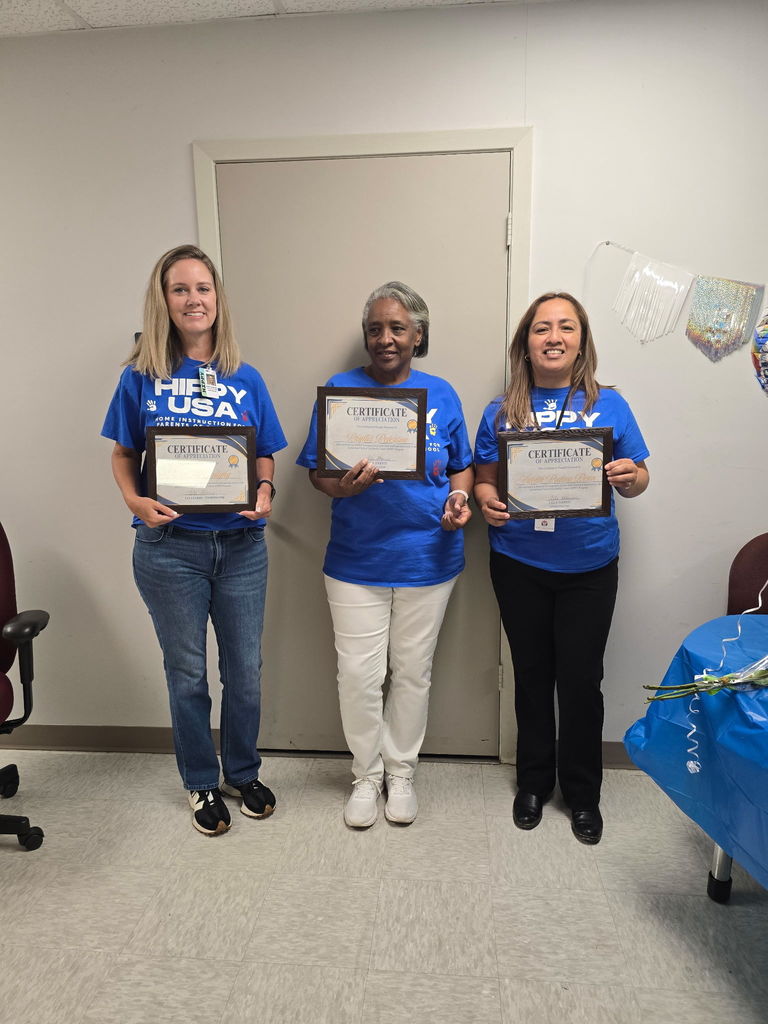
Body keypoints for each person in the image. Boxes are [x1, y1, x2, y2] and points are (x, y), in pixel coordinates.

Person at [102, 244, 287, 836]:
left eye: (203, 288)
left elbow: (263, 451)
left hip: (240, 547)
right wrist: (135, 502)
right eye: (180, 289)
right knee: (186, 673)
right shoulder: (141, 377)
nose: (193, 299)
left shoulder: (245, 377)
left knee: (246, 670)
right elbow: (123, 454)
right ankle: (201, 783)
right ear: (164, 301)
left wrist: (263, 492)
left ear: (217, 298)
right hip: (169, 550)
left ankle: (241, 770)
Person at [474, 292, 649, 844]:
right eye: (542, 328)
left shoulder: (611, 405)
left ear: (581, 340)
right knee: (531, 676)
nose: (554, 337)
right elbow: (483, 476)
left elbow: (640, 476)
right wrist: (486, 500)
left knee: (581, 681)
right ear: (525, 343)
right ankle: (533, 783)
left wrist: (629, 477)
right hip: (518, 560)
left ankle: (582, 793)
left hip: (590, 565)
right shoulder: (500, 410)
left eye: (565, 327)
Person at [297, 282, 473, 828]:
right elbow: (317, 473)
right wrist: (341, 489)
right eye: (375, 328)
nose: (385, 338)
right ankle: (366, 777)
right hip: (356, 562)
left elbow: (462, 464)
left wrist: (459, 496)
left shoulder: (441, 393)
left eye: (398, 328)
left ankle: (401, 774)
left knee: (413, 673)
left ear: (418, 334)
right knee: (358, 677)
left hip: (429, 556)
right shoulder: (341, 390)